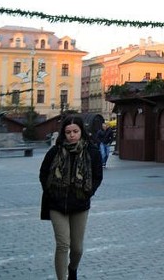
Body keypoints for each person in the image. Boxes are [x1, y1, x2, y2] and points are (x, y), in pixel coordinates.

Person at [40, 115, 103, 280]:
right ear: (64, 133)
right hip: (57, 205)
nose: (72, 135)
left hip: (80, 205)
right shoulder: (55, 152)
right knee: (62, 245)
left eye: (75, 131)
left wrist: (88, 193)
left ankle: (72, 268)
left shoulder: (92, 152)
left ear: (82, 131)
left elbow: (97, 176)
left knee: (77, 249)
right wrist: (51, 192)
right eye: (68, 132)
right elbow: (43, 173)